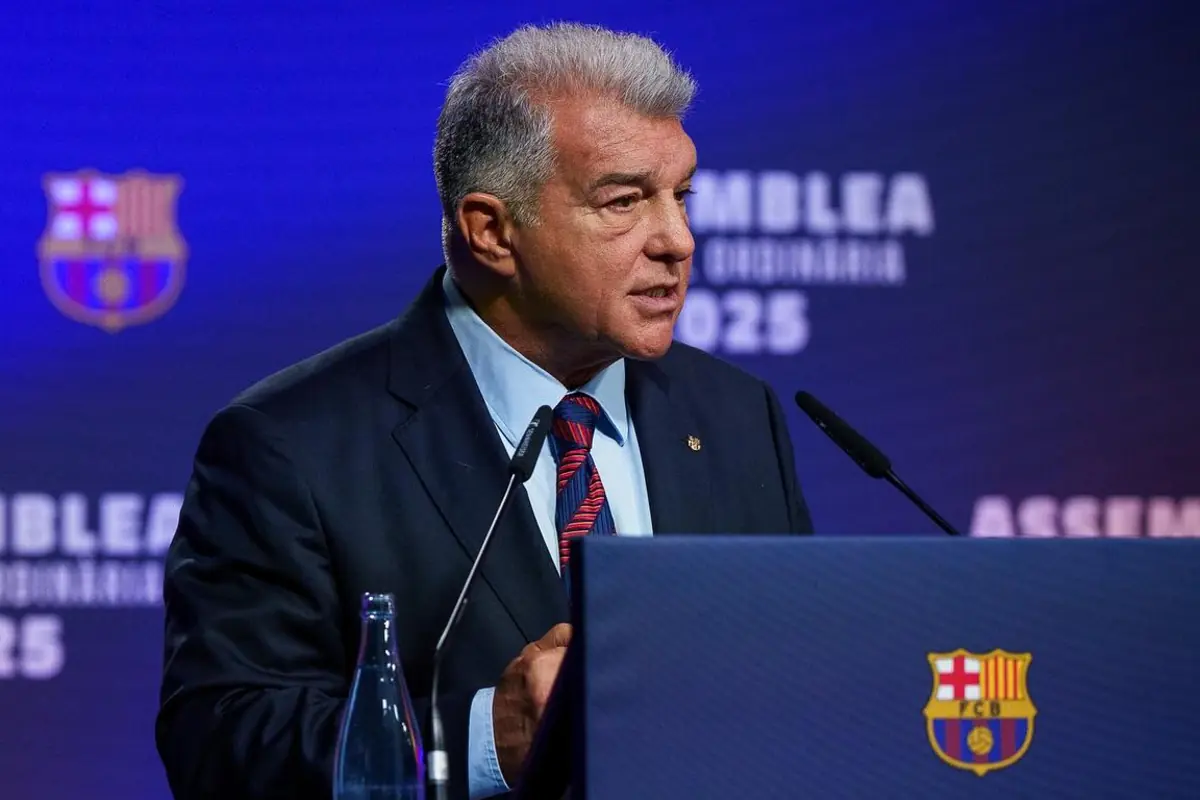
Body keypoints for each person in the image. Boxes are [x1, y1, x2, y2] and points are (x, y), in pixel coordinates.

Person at [155, 21, 814, 800]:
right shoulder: (290, 448)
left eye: (682, 195)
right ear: (492, 231)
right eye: (625, 200)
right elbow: (223, 744)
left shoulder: (737, 415)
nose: (678, 239)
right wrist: (478, 740)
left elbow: (798, 689)